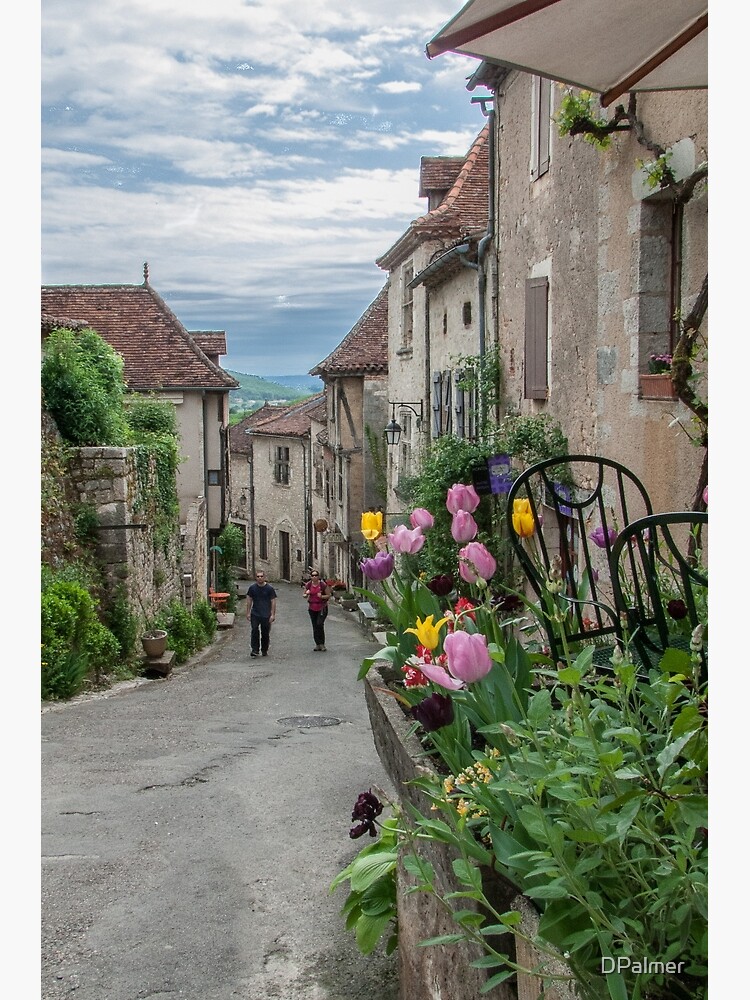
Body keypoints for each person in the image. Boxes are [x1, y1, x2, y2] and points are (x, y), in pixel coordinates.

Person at [246, 570, 277, 658]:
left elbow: (273, 601)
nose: (260, 578)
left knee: (265, 633)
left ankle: (264, 649)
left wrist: (272, 614)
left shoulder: (269, 589)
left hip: (266, 614)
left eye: (261, 576)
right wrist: (248, 612)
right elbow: (249, 600)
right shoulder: (252, 588)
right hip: (255, 613)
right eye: (258, 576)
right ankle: (255, 650)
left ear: (264, 577)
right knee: (254, 630)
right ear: (256, 578)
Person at [303, 569, 330, 651]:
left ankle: (322, 644)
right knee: (315, 626)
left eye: (316, 575)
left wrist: (321, 596)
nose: (314, 577)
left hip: (322, 607)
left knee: (319, 624)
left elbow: (328, 595)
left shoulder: (322, 585)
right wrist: (306, 594)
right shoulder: (308, 585)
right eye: (312, 575)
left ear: (318, 577)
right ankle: (317, 644)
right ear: (311, 577)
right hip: (312, 608)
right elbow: (304, 595)